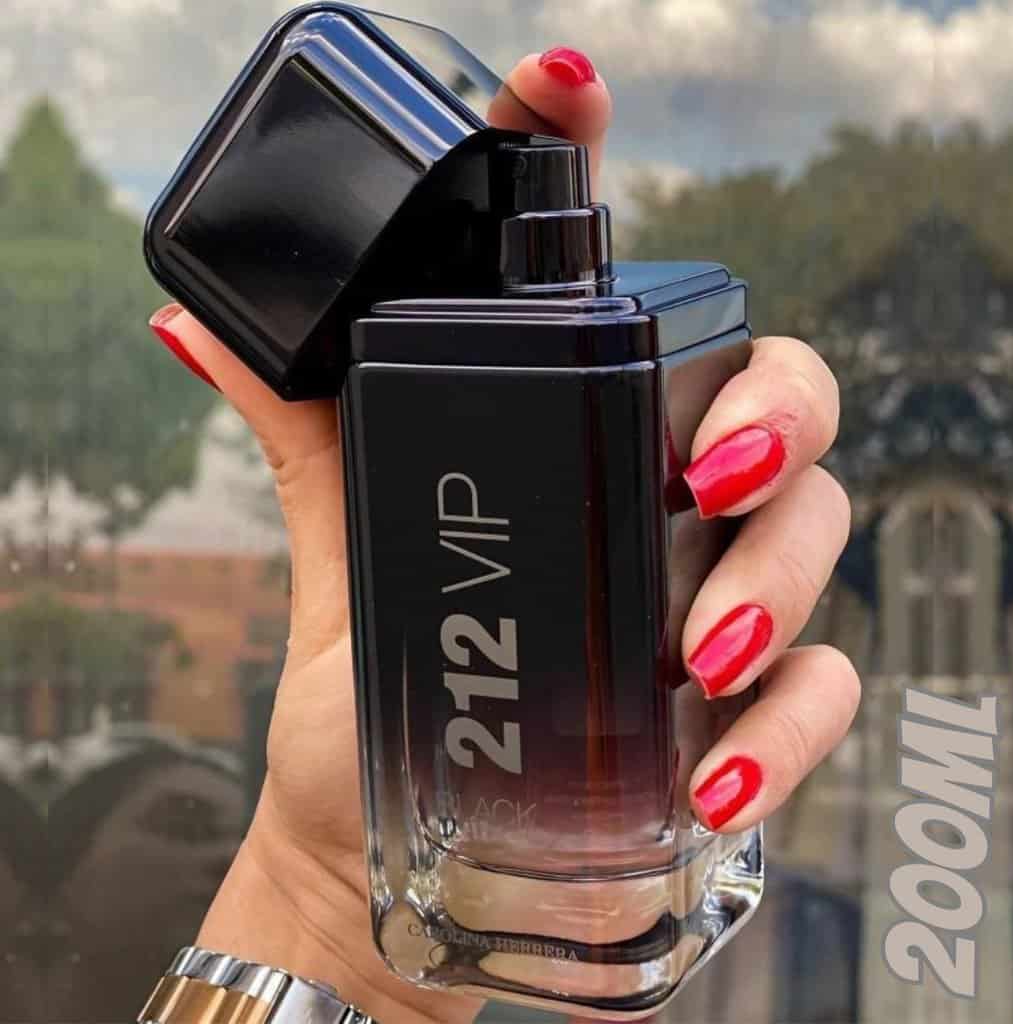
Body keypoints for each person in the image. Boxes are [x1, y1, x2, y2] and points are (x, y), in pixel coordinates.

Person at [147, 47, 860, 1024]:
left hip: (507, 885)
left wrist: (329, 922)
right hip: (421, 886)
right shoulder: (416, 353)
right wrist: (311, 899)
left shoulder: (597, 331)